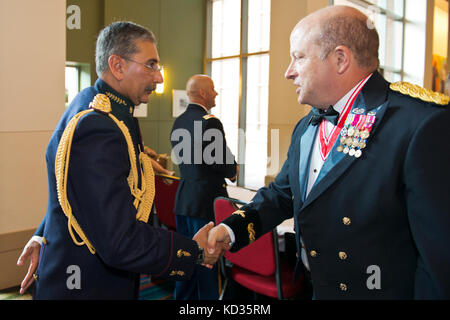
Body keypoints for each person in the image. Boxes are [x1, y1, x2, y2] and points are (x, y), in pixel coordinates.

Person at [206, 5, 450, 299]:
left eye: (298, 57)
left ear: (340, 59)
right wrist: (230, 230)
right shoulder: (307, 126)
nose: (289, 72)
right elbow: (283, 195)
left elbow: (439, 262)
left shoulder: (419, 124)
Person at [16, 21, 223, 299]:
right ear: (118, 66)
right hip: (87, 285)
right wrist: (193, 251)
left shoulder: (90, 102)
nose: (159, 77)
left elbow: (70, 189)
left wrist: (42, 233)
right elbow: (119, 242)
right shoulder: (100, 126)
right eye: (151, 65)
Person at [170, 74, 238, 299]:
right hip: (206, 204)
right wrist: (233, 170)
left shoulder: (179, 121)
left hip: (183, 201)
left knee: (185, 261)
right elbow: (221, 161)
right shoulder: (210, 121)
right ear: (202, 93)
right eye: (213, 89)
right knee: (207, 265)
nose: (216, 93)